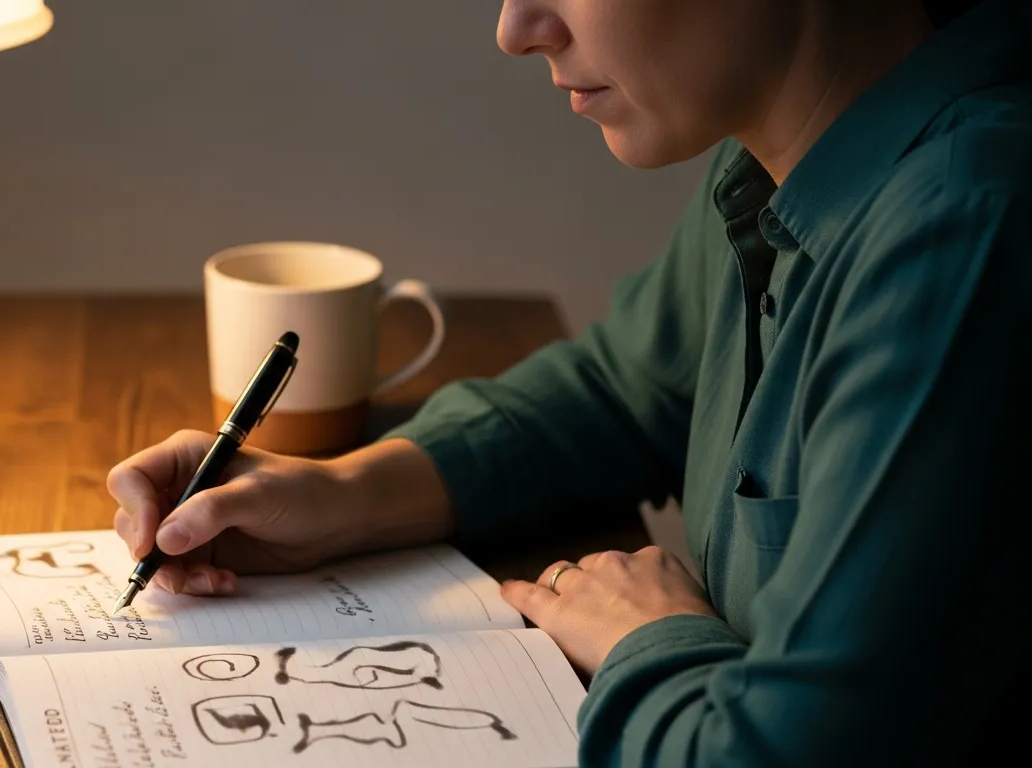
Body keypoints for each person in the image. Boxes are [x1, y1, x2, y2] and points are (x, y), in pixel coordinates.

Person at [108, 0, 1031, 764]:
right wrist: (345, 493)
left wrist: (646, 639)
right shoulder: (780, 156)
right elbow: (623, 389)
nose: (518, 26)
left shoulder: (966, 225)